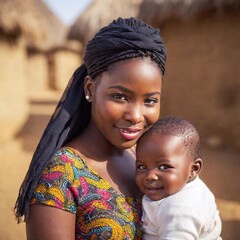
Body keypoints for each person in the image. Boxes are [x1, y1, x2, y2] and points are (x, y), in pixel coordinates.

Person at [14, 17, 167, 239]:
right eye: (120, 96)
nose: (135, 116)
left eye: (150, 101)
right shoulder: (61, 176)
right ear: (90, 88)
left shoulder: (142, 159)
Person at [135, 116, 222, 239]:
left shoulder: (180, 210)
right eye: (142, 167)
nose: (150, 176)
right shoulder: (186, 186)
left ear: (193, 169)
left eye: (164, 167)